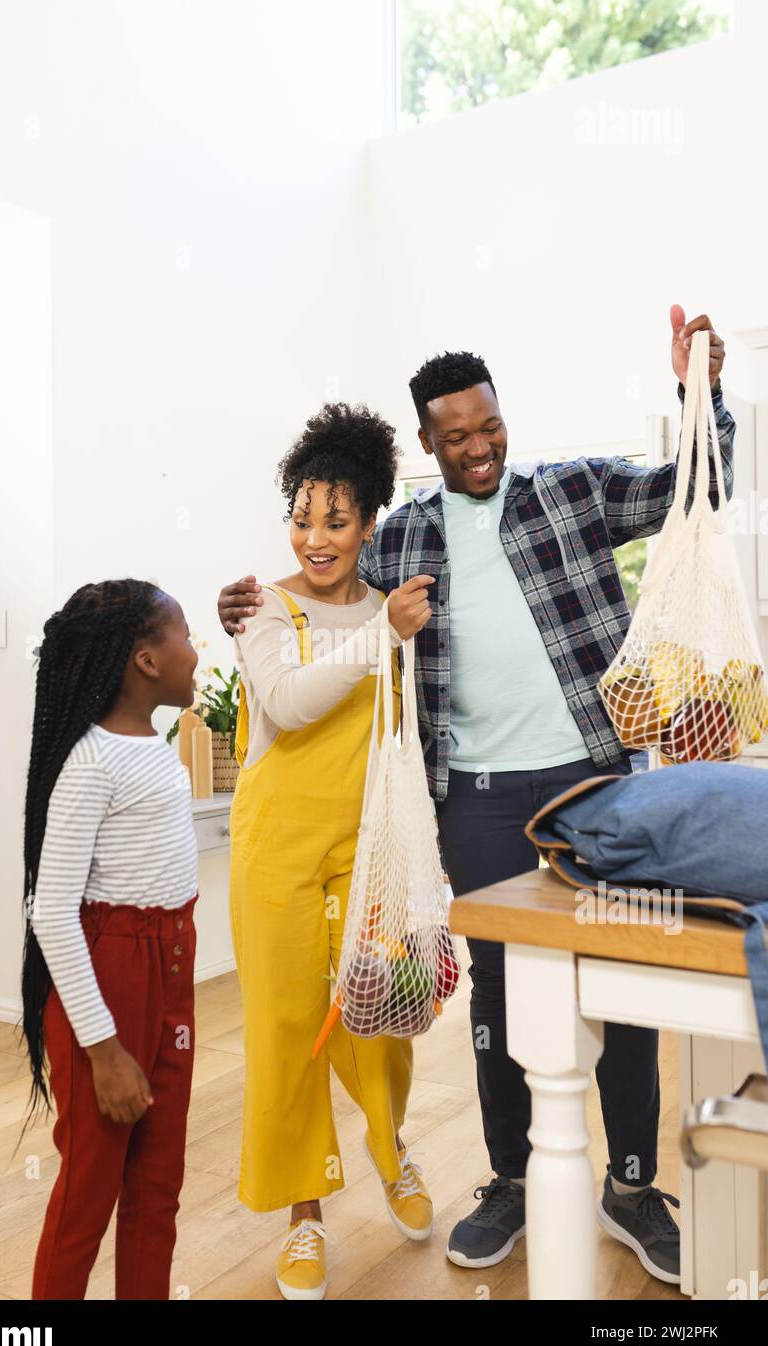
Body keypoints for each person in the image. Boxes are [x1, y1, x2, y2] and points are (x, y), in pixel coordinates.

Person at [217, 308, 735, 1287]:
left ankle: (630, 1182)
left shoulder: (572, 489)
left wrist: (697, 394)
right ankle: (507, 1177)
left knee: (619, 975)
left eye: (488, 426)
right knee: (498, 988)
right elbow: (313, 594)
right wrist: (236, 609)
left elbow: (694, 492)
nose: (479, 446)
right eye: (456, 435)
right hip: (478, 797)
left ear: (502, 417)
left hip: (594, 776)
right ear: (428, 442)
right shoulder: (398, 534)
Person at [229, 401, 434, 1300]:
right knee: (284, 1030)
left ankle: (393, 1154)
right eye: (303, 517)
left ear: (369, 522)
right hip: (276, 842)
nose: (316, 538)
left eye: (336, 520)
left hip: (368, 841)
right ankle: (302, 1216)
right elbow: (289, 701)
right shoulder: (260, 610)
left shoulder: (391, 605)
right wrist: (379, 634)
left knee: (379, 1007)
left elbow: (406, 726)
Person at [19, 578, 200, 1300]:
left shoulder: (151, 745)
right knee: (88, 1196)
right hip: (110, 975)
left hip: (171, 964)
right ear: (146, 661)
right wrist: (104, 1051)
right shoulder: (91, 763)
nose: (197, 649)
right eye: (185, 634)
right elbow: (52, 911)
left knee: (158, 1186)